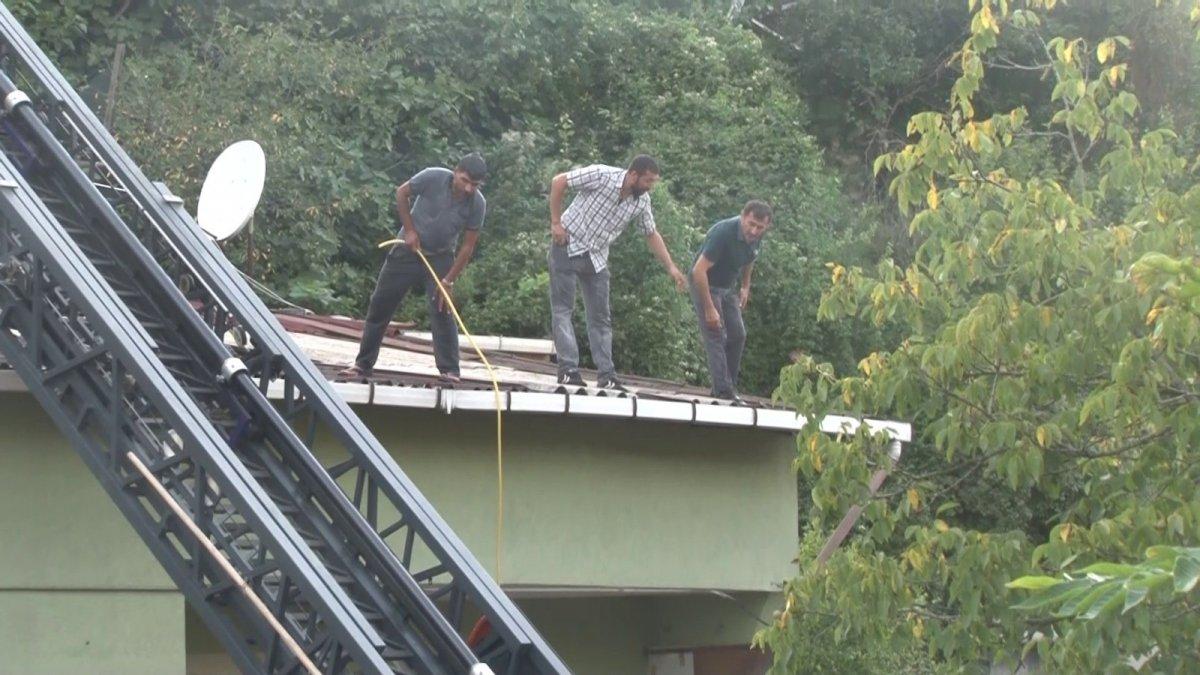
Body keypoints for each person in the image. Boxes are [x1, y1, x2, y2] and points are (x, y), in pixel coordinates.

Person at [338, 153, 487, 382]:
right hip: (407, 249)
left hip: (440, 257)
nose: (468, 188)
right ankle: (362, 364)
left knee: (442, 310)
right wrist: (409, 230)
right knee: (381, 304)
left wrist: (448, 281)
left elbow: (467, 247)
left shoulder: (477, 203)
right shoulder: (432, 177)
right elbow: (401, 193)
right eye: (465, 181)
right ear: (456, 172)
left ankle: (450, 370)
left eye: (474, 185)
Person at [548, 155, 687, 390]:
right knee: (563, 309)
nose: (649, 187)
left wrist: (671, 266)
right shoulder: (601, 174)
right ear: (633, 175)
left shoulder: (641, 201)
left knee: (601, 318)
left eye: (653, 182)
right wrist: (555, 223)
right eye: (647, 181)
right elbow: (559, 181)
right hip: (567, 244)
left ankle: (607, 375)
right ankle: (568, 369)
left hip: (597, 257)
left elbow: (651, 233)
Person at [690, 200, 772, 402]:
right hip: (705, 283)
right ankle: (723, 391)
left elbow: (750, 258)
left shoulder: (756, 238)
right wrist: (709, 308)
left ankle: (729, 385)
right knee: (716, 332)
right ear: (743, 216)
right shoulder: (723, 233)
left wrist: (745, 286)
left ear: (766, 227)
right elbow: (698, 271)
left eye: (759, 227)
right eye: (750, 224)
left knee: (738, 334)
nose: (753, 231)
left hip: (727, 287)